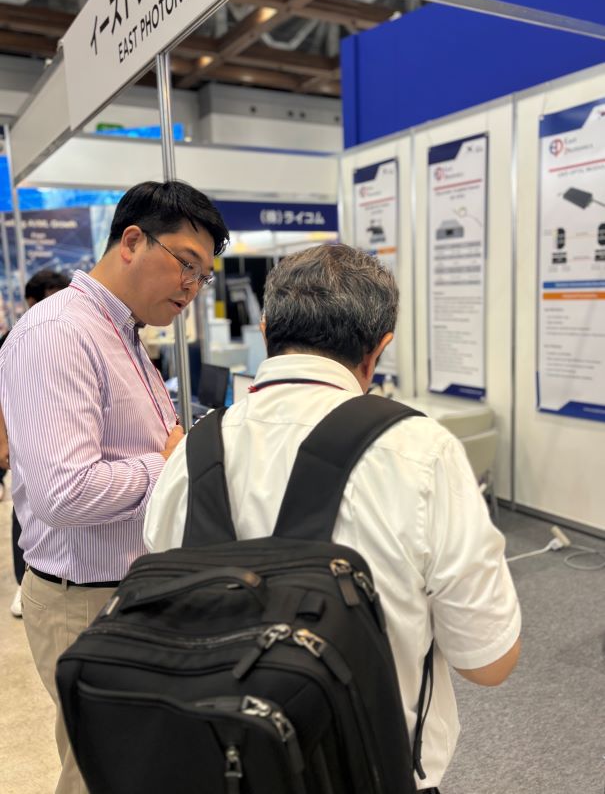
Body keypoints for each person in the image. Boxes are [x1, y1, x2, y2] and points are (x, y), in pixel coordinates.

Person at [144, 244, 521, 793]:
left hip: (221, 768)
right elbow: (488, 663)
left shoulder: (189, 453)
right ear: (380, 348)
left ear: (267, 332)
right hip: (372, 773)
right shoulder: (422, 452)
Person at [0, 180, 229, 794]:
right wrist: (168, 464)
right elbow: (63, 491)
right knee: (104, 772)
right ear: (132, 241)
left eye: (203, 276)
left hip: (126, 590)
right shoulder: (60, 334)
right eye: (186, 264)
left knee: (134, 764)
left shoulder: (120, 331)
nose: (192, 286)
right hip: (85, 603)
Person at [0, 269, 71, 617]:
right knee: (25, 506)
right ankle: (22, 581)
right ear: (32, 300)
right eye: (49, 297)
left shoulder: (69, 331)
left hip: (61, 436)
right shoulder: (16, 338)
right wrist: (3, 441)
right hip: (24, 439)